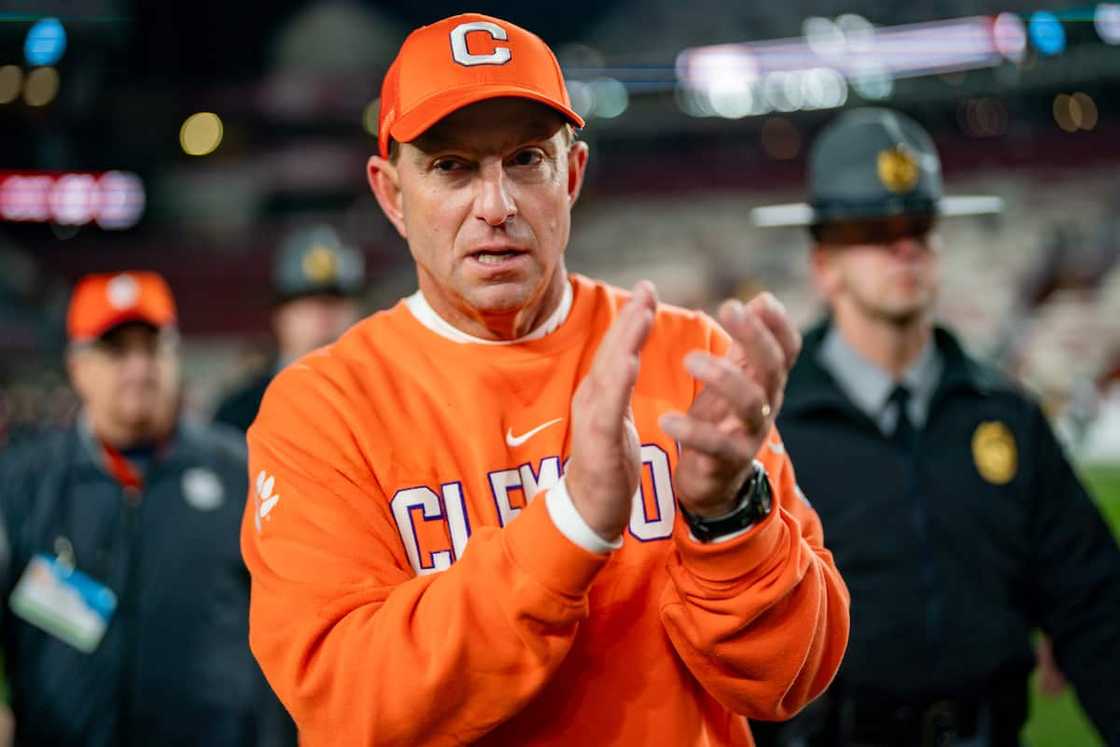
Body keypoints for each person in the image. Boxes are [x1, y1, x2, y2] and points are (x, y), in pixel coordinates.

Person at [241, 12, 850, 746]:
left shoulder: (691, 358)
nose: (495, 206)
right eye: (451, 166)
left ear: (573, 174)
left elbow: (791, 675)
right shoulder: (322, 410)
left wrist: (728, 515)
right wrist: (572, 524)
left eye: (527, 159)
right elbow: (349, 705)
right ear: (391, 194)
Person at [751, 108, 1120, 746]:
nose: (905, 245)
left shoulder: (1008, 414)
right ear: (824, 265)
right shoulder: (767, 429)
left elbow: (1095, 609)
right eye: (874, 228)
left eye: (920, 223)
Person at [0, 271, 287, 746]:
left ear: (176, 356)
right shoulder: (25, 482)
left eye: (152, 348)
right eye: (116, 351)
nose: (138, 368)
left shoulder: (240, 471)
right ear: (77, 366)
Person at [214, 224, 365, 432]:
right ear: (280, 315)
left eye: (335, 303)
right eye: (308, 303)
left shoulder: (385, 402)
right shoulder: (241, 413)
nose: (324, 319)